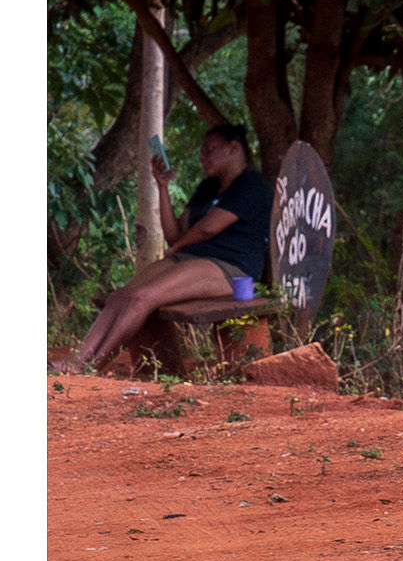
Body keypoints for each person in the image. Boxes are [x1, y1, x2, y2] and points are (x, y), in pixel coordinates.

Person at [64, 123, 276, 376]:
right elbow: (175, 233)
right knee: (121, 296)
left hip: (229, 267)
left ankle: (90, 366)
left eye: (209, 150)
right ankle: (77, 360)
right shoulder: (208, 187)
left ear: (233, 149)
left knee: (143, 298)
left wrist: (178, 246)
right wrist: (162, 187)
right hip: (189, 256)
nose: (202, 157)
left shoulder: (251, 183)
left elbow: (208, 229)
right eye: (202, 151)